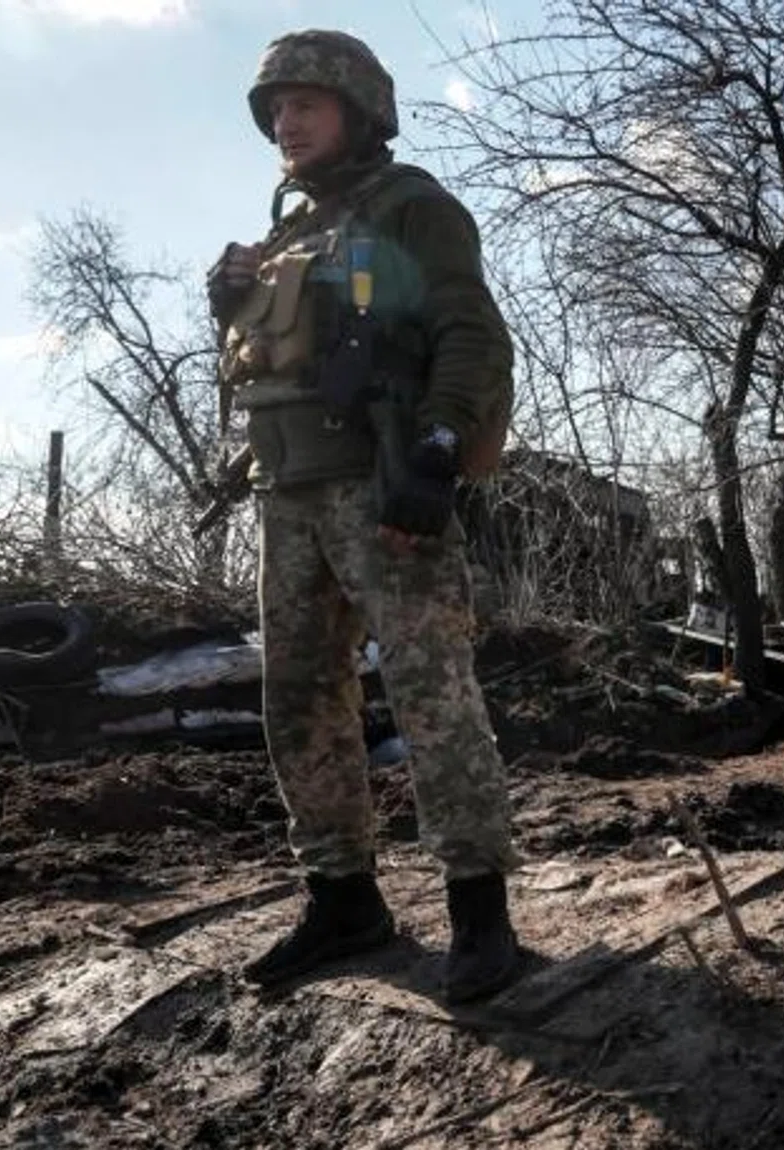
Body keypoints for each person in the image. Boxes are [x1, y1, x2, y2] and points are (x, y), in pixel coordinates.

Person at [207, 29, 520, 1003]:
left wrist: (437, 451)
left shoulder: (410, 208)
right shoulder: (289, 234)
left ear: (360, 110)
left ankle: (480, 913)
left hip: (379, 487)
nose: (287, 125)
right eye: (276, 111)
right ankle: (343, 900)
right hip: (287, 496)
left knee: (430, 692)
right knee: (299, 701)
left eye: (306, 104)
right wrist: (228, 307)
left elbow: (470, 332)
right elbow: (282, 362)